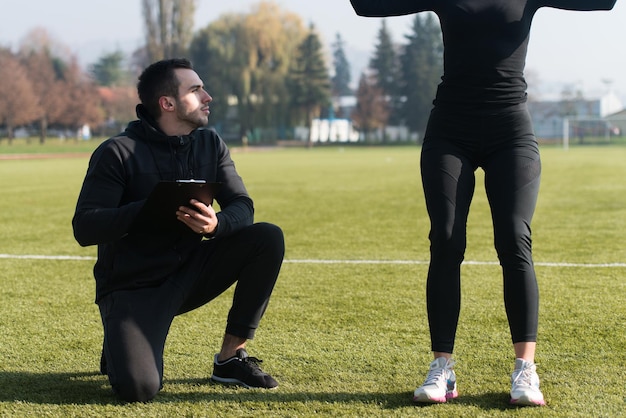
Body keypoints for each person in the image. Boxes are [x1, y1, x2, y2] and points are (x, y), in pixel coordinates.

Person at [349, 0, 616, 407]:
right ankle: (443, 369)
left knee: (514, 237)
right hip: (449, 132)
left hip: (511, 132)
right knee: (446, 238)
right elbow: (366, 6)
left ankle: (525, 369)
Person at [72, 58, 285, 402]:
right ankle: (120, 337)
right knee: (138, 388)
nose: (207, 96)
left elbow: (242, 206)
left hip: (190, 272)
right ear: (167, 103)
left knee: (267, 237)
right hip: (134, 285)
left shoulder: (210, 145)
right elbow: (85, 226)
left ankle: (230, 359)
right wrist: (152, 208)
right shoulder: (117, 153)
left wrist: (218, 224)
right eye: (195, 89)